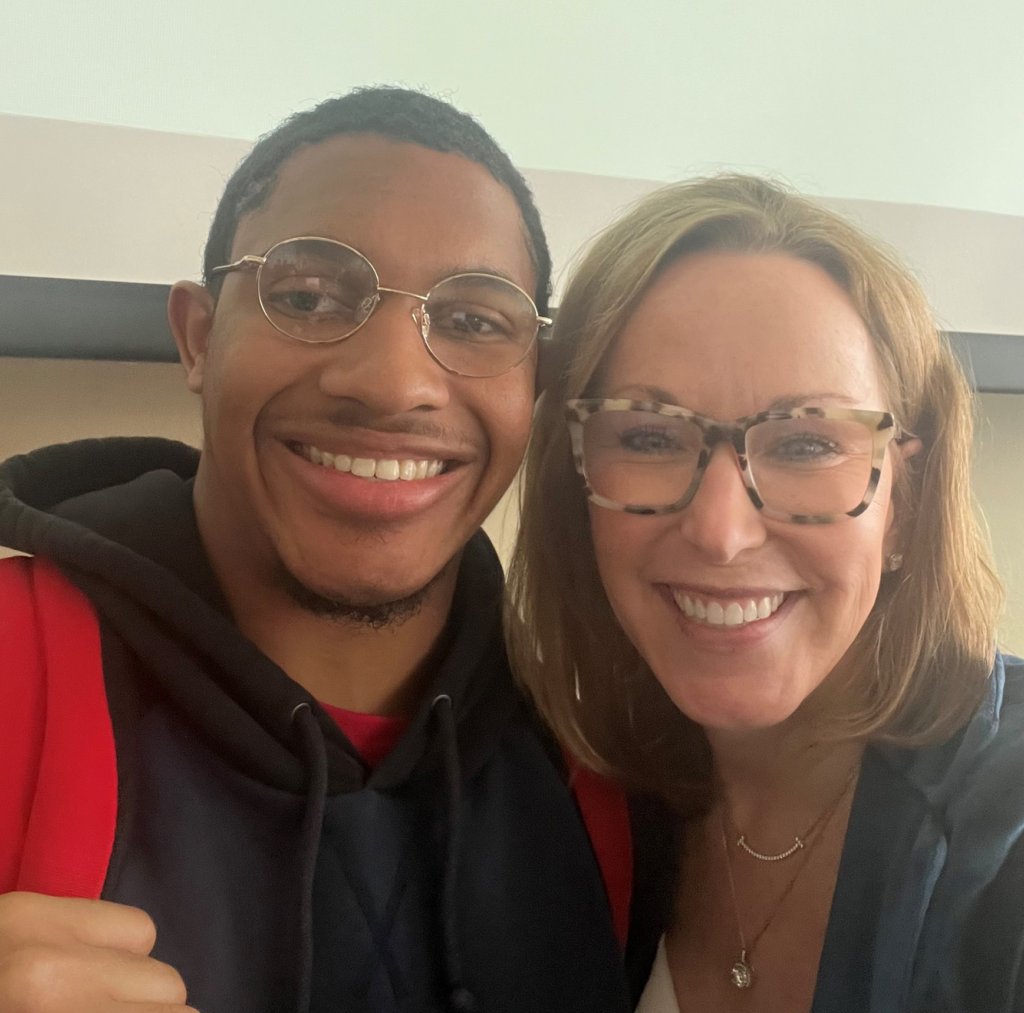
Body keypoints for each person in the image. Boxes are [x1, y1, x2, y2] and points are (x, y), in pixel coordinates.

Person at [0, 88, 662, 1013]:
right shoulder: (12, 662)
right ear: (198, 337)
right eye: (307, 297)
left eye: (474, 321)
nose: (393, 384)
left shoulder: (601, 760)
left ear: (536, 384)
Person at [509, 173, 1024, 1012]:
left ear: (906, 505)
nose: (720, 531)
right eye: (647, 434)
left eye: (807, 443)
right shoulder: (583, 800)